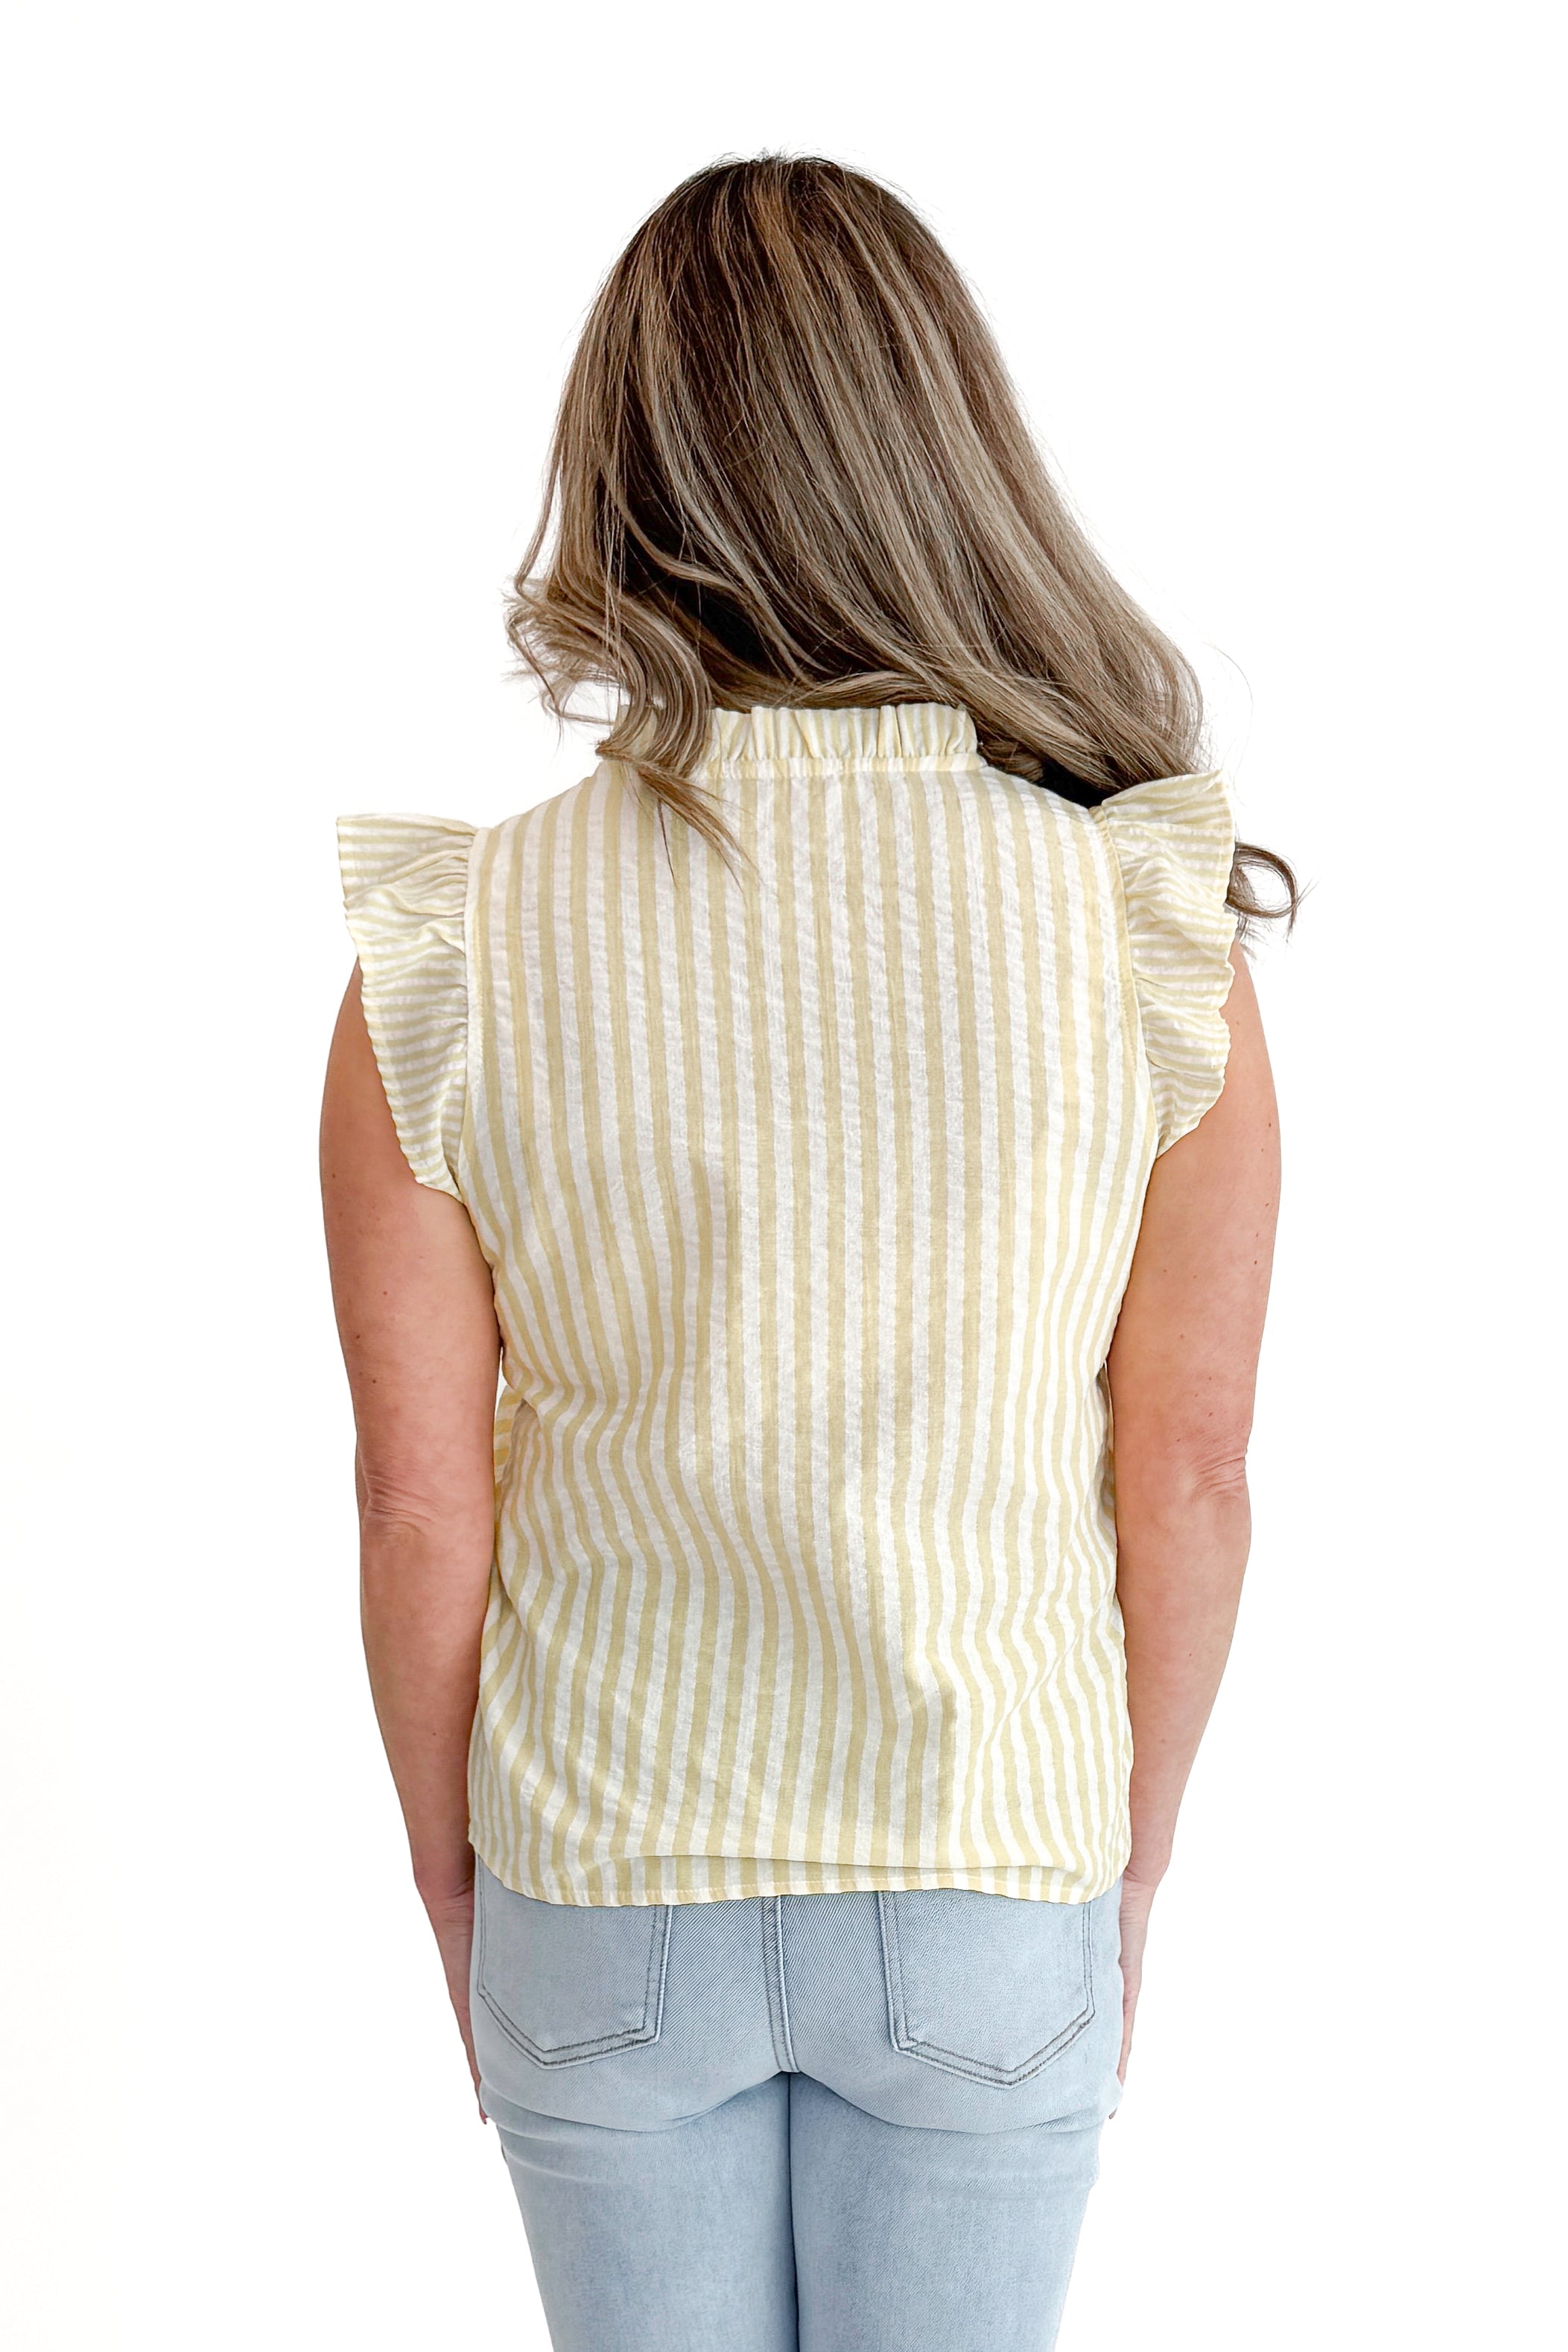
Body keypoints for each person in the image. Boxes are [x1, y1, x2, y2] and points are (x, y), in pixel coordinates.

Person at [320, 153, 1290, 2352]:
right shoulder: (1138, 925)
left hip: (599, 1871)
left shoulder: (454, 942)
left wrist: (443, 1864)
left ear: (622, 472)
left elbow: (413, 1497)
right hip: (984, 1851)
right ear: (949, 455)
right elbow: (1196, 1468)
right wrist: (1114, 1862)